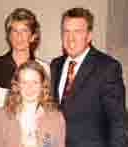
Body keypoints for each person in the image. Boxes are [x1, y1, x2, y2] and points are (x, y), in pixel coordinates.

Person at [50, 7, 125, 147]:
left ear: (89, 35)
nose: (70, 38)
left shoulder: (107, 67)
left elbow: (118, 122)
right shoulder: (55, 65)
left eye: (77, 31)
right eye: (66, 31)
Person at [0, 61, 65, 147]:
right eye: (24, 82)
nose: (30, 87)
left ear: (42, 86)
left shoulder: (56, 118)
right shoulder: (1, 116)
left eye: (35, 82)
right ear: (17, 86)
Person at [0, 8, 50, 103]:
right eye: (15, 31)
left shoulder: (44, 68)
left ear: (33, 37)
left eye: (24, 31)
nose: (19, 36)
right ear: (9, 36)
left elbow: (46, 103)